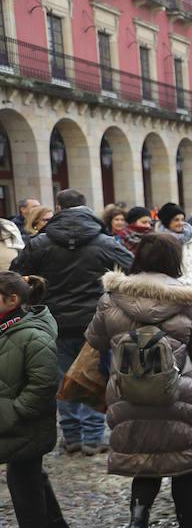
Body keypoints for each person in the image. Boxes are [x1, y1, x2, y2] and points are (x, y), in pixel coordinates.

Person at [84, 233, 192, 528]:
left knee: (145, 459)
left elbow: (96, 340)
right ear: (173, 260)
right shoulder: (188, 299)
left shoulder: (112, 297)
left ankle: (137, 522)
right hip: (175, 391)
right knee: (183, 463)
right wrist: (190, 377)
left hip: (128, 390)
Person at [12, 188, 133, 455]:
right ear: (85, 207)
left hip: (52, 320)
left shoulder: (40, 243)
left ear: (58, 209)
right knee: (94, 375)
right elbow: (132, 269)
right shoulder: (105, 241)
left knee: (62, 378)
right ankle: (92, 436)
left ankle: (72, 435)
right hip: (96, 321)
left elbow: (16, 275)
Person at [0, 272, 71, 528]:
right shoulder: (10, 327)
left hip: (25, 421)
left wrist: (13, 412)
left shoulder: (31, 333)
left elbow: (43, 385)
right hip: (17, 420)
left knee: (22, 477)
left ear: (12, 300)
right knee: (29, 473)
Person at [157, 203, 192, 290]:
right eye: (176, 220)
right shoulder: (158, 241)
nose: (180, 223)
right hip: (170, 290)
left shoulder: (190, 238)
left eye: (182, 219)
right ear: (167, 221)